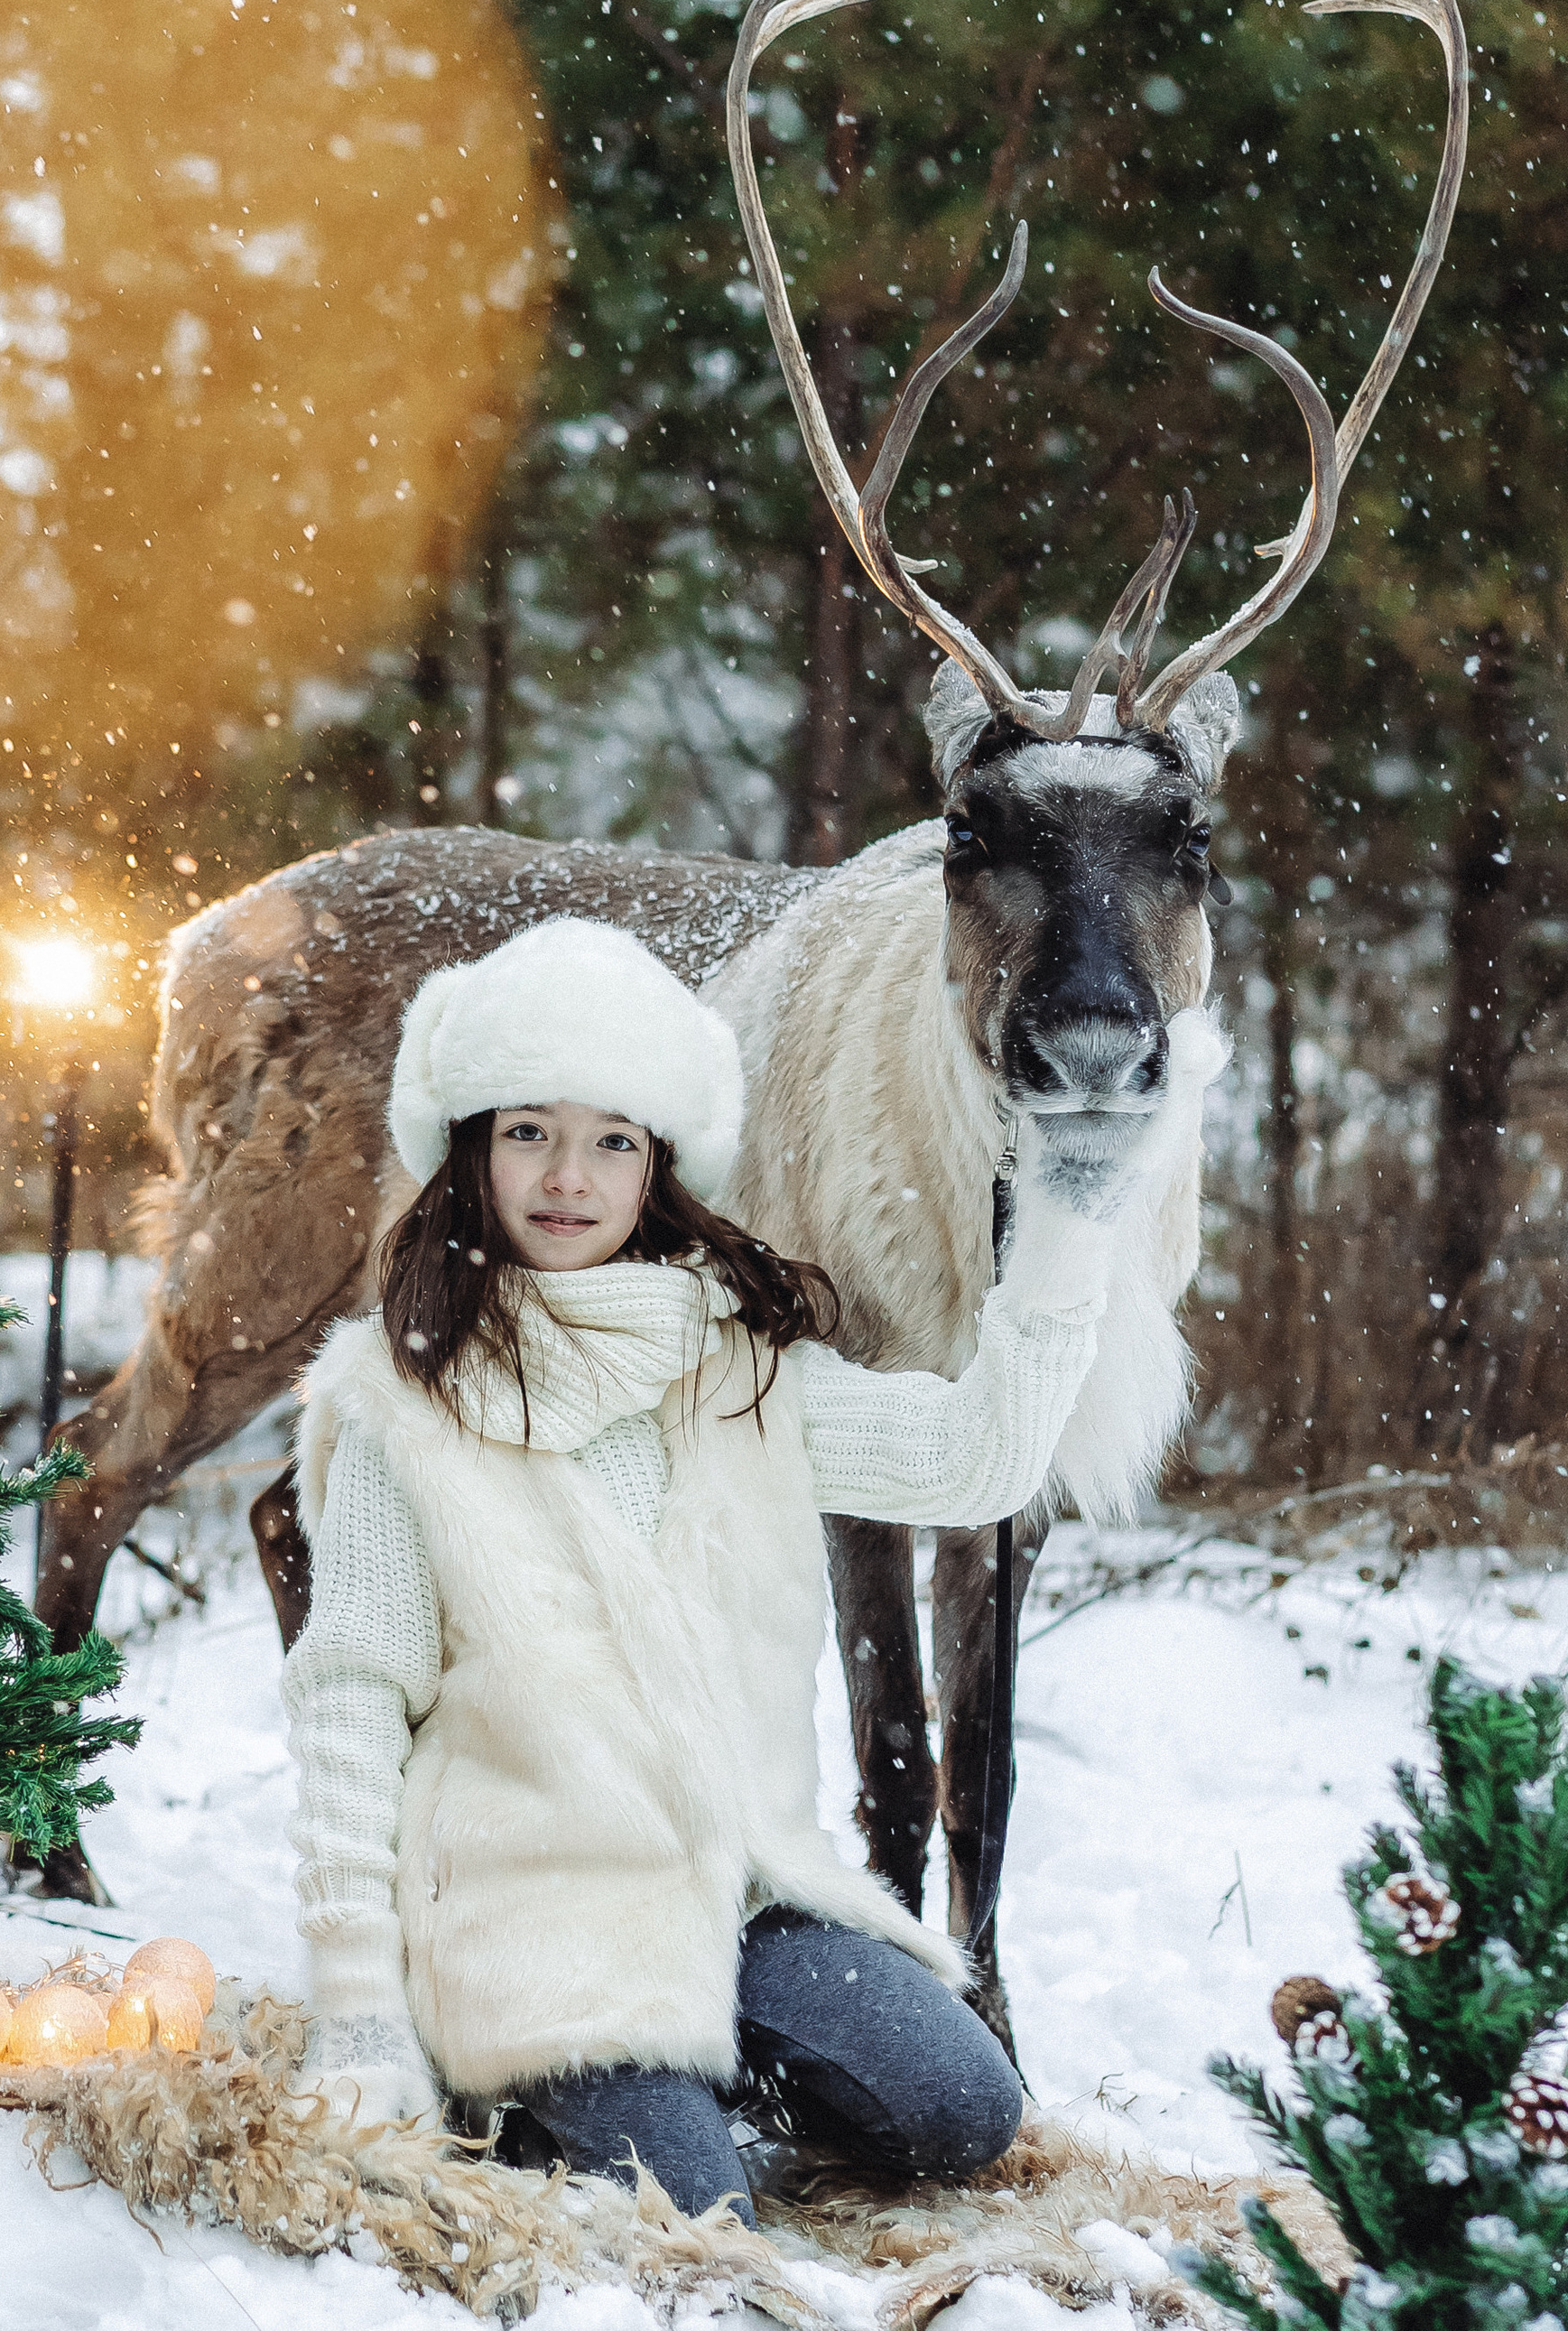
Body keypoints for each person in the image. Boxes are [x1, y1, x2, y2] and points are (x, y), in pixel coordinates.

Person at [280, 915, 1217, 2224]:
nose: (569, 1174)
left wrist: (1068, 1214)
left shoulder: (737, 1368)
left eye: (613, 1137)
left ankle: (712, 2054)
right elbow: (349, 1705)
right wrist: (360, 2005)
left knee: (966, 2108)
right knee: (693, 2207)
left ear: (657, 1163)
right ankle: (517, 2074)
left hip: (742, 1891)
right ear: (471, 1148)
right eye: (528, 1129)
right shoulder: (400, 1399)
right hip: (531, 1914)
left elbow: (979, 1462)